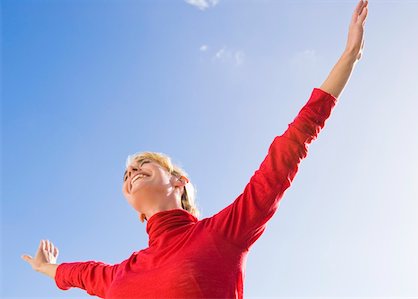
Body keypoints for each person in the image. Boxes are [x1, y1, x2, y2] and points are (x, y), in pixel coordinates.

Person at [22, 1, 369, 298]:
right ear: (137, 212)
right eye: (127, 172)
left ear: (178, 181)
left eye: (144, 164)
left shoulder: (223, 233)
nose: (131, 171)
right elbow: (80, 274)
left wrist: (349, 57)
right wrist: (45, 268)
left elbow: (287, 152)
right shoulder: (119, 274)